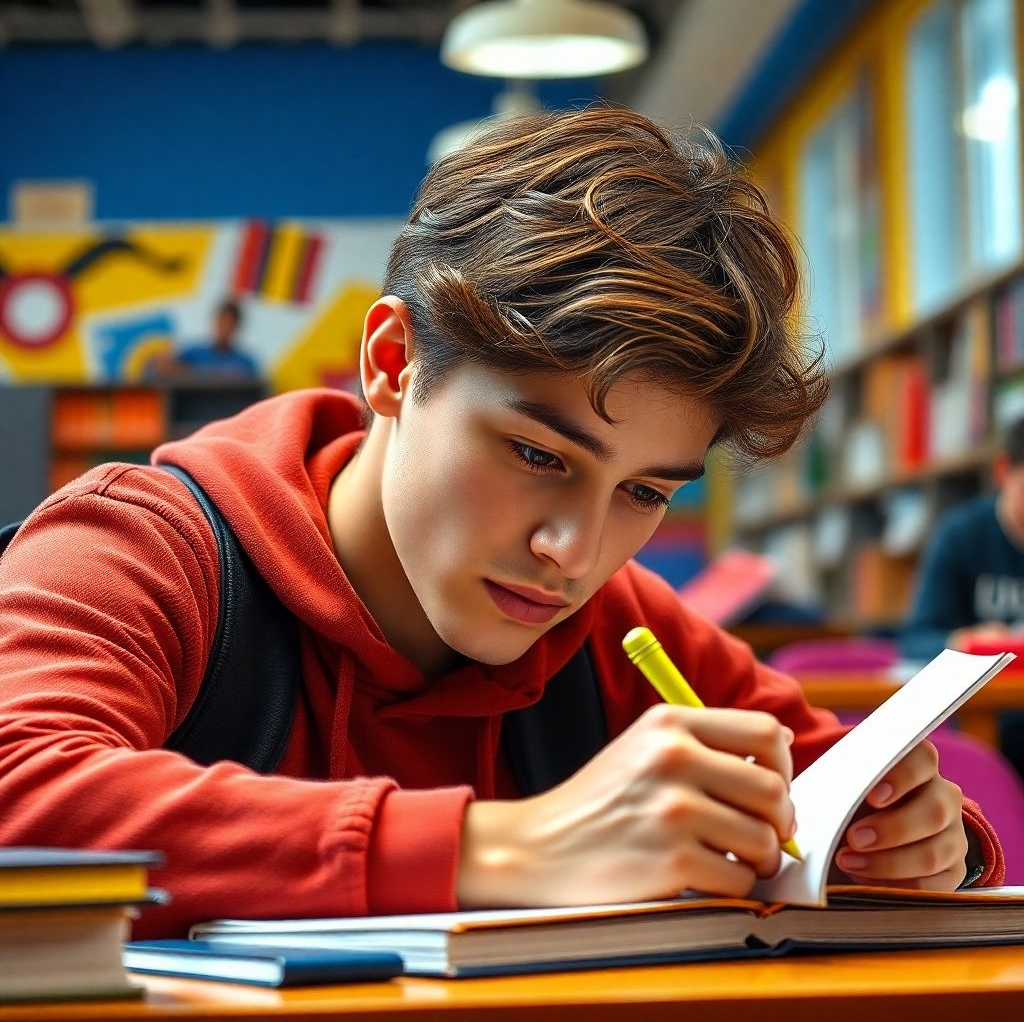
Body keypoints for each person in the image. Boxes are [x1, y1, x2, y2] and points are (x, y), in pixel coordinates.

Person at [0, 109, 1002, 939]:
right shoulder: (139, 549)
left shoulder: (617, 625)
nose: (574, 551)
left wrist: (921, 841)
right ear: (392, 364)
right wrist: (510, 846)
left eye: (645, 492)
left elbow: (840, 794)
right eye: (535, 455)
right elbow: (18, 787)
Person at [901, 416, 1024, 774]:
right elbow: (915, 638)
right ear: (1003, 470)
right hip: (981, 720)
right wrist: (965, 641)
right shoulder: (961, 535)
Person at [149, 299, 259, 379]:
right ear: (214, 322)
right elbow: (161, 369)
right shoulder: (193, 353)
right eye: (221, 322)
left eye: (229, 323)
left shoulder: (246, 363)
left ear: (237, 326)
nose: (224, 328)